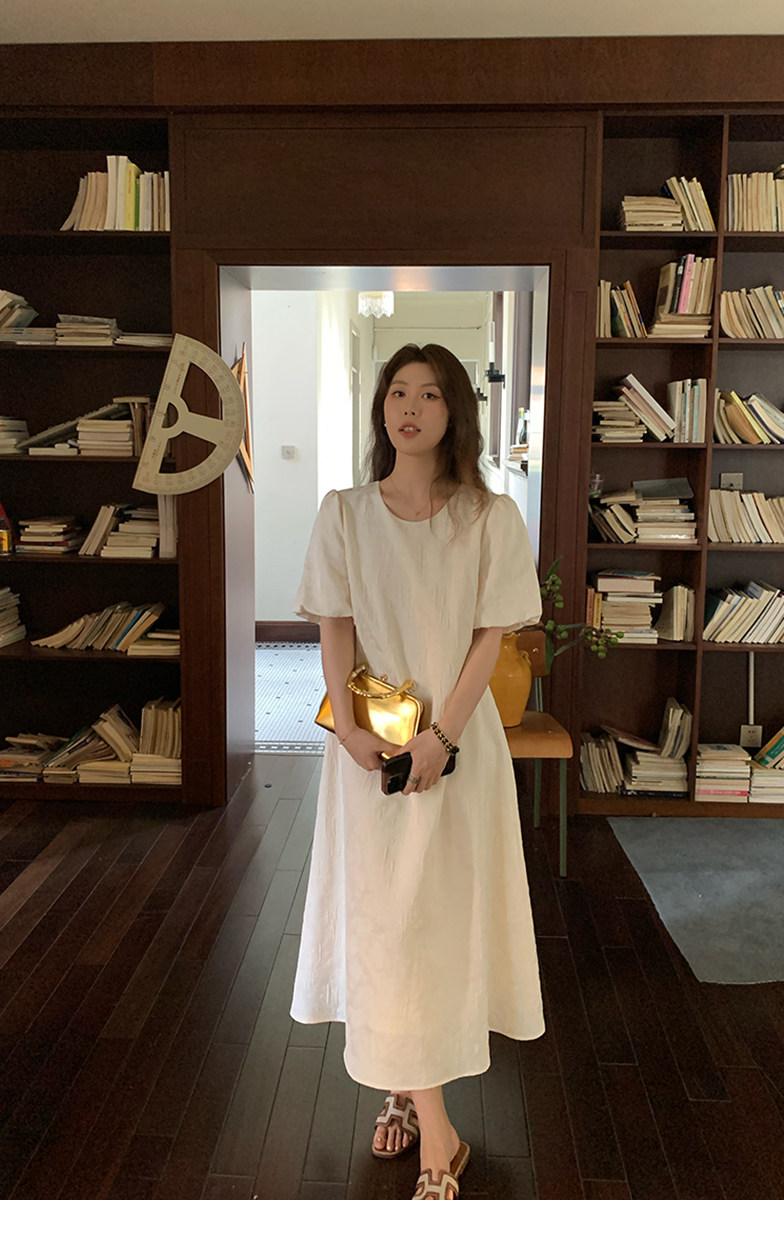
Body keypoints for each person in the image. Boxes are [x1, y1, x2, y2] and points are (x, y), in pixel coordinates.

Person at [291, 342, 545, 1200]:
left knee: (434, 925)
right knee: (387, 923)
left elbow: (489, 636)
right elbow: (333, 624)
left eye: (429, 394)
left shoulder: (488, 517)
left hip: (457, 754)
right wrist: (347, 730)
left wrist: (442, 736)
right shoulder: (345, 513)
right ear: (382, 409)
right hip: (371, 756)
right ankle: (440, 1137)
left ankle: (407, 1093)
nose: (409, 407)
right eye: (397, 391)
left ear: (453, 411)